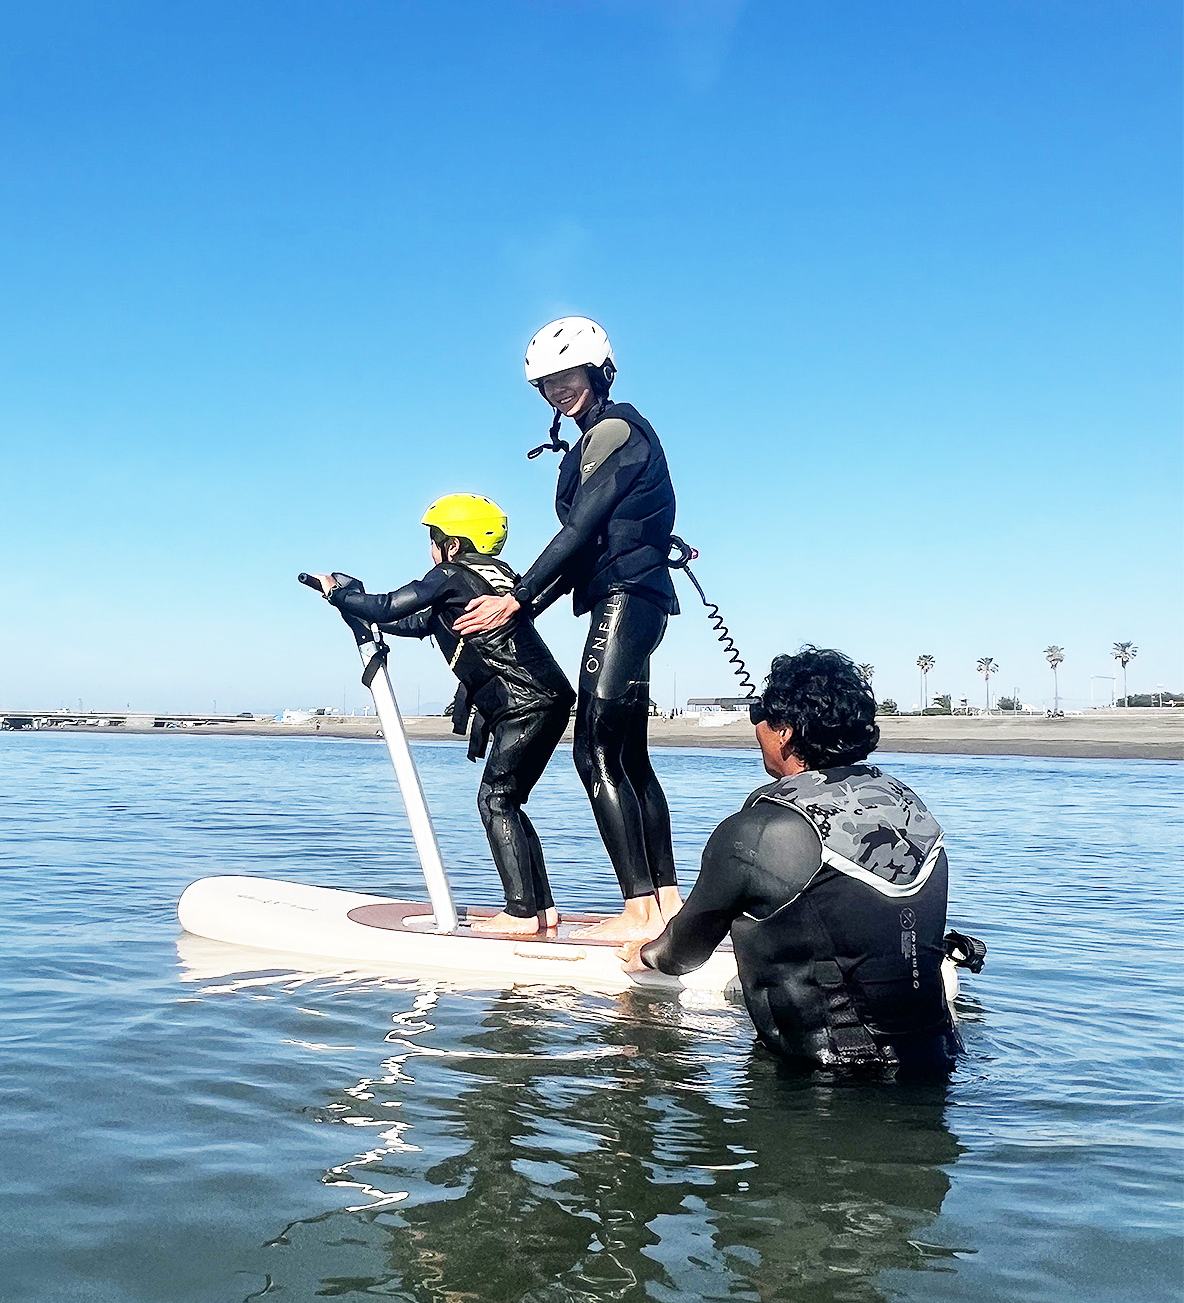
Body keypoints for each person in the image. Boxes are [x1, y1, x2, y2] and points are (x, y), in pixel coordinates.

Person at [620, 647, 968, 1077]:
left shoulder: (761, 829)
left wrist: (645, 956)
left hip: (828, 1082)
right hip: (941, 1057)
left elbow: (683, 952)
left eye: (758, 716)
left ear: (783, 731)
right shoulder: (910, 807)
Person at [453, 318, 681, 942]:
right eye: (547, 383)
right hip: (634, 597)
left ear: (599, 370)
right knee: (629, 754)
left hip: (626, 600)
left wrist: (517, 596)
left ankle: (637, 912)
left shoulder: (615, 429)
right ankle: (665, 903)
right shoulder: (596, 441)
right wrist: (522, 607)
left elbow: (578, 534)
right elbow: (585, 550)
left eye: (568, 376)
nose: (558, 391)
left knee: (596, 750)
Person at [311, 494, 575, 937]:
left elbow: (388, 606)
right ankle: (541, 909)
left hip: (523, 702)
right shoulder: (497, 576)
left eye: (433, 540)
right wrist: (351, 604)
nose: (431, 550)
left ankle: (522, 912)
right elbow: (415, 622)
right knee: (508, 800)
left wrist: (341, 592)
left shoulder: (450, 573)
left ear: (452, 544)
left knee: (495, 799)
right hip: (545, 698)